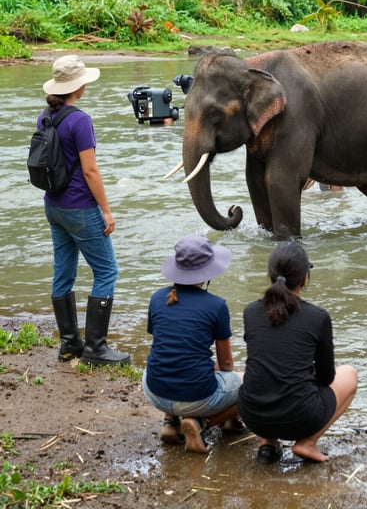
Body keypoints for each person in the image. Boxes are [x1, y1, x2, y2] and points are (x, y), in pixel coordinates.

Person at [40, 55, 130, 366]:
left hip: (53, 206)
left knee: (63, 273)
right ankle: (96, 348)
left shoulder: (45, 116)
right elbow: (91, 172)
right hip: (80, 208)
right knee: (107, 271)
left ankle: (69, 344)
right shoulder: (80, 120)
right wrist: (106, 210)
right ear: (78, 86)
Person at [238, 241, 358, 463]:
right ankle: (308, 443)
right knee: (349, 374)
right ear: (305, 277)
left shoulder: (250, 311)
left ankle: (267, 442)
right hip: (301, 419)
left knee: (255, 374)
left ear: (268, 274)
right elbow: (327, 378)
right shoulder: (318, 317)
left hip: (253, 416)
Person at [142, 234, 243, 454]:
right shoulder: (216, 306)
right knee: (248, 385)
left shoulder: (157, 298)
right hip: (195, 397)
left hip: (155, 390)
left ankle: (170, 422)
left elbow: (166, 346)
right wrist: (214, 368)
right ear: (207, 272)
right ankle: (202, 424)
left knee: (168, 363)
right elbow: (226, 364)